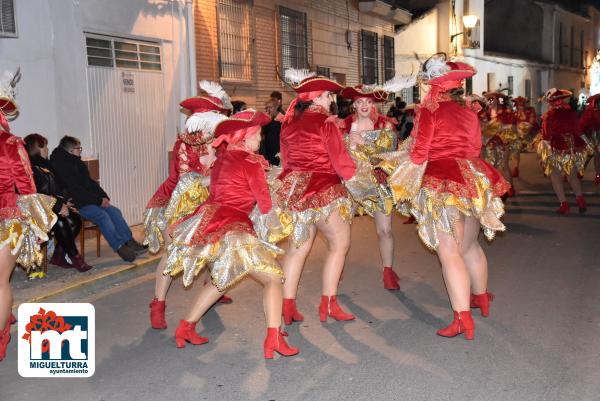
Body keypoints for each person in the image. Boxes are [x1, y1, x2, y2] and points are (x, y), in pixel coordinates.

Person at [383, 54, 509, 340]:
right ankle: (481, 297)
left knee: (449, 252)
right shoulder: (468, 111)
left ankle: (462, 318)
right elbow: (476, 147)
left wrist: (401, 163)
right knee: (470, 246)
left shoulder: (430, 111)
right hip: (472, 178)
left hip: (442, 180)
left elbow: (419, 153)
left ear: (433, 86)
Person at [164, 110, 299, 359]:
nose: (260, 139)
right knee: (272, 279)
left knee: (222, 279)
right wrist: (278, 209)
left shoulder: (222, 159)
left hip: (212, 220)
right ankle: (273, 338)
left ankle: (185, 327)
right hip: (234, 226)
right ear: (246, 136)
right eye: (258, 134)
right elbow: (265, 204)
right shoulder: (251, 162)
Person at [145, 81, 232, 330]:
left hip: (209, 201)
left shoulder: (220, 143)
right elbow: (186, 183)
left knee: (214, 245)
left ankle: (213, 287)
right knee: (173, 255)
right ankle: (158, 303)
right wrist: (213, 173)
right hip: (178, 204)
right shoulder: (184, 145)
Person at [275, 69, 356, 325]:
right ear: (319, 97)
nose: (332, 99)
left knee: (298, 249)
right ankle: (329, 303)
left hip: (295, 189)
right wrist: (359, 180)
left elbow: (286, 162)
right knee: (339, 245)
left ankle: (286, 307)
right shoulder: (325, 123)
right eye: (329, 95)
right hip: (323, 189)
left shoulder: (289, 124)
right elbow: (341, 162)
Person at [339, 76, 416, 291]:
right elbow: (336, 154)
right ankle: (337, 267)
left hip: (378, 181)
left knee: (385, 230)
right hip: (351, 184)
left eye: (369, 102)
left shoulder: (384, 124)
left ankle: (388, 271)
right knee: (341, 230)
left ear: (374, 104)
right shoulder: (343, 125)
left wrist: (364, 143)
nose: (364, 106)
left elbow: (392, 154)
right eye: (360, 102)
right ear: (353, 104)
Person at [1, 74, 57, 361]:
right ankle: (1, 338)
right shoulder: (10, 142)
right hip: (6, 217)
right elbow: (26, 187)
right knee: (1, 283)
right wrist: (37, 225)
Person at [50, 136, 147, 262]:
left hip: (89, 199)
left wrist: (103, 196)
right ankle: (120, 247)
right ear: (70, 150)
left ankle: (130, 242)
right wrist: (97, 201)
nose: (80, 150)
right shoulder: (60, 165)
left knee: (114, 211)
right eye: (78, 148)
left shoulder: (76, 162)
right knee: (102, 216)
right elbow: (75, 191)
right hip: (76, 203)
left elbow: (89, 183)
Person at [24, 133, 92, 272]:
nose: (47, 150)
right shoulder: (30, 168)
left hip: (53, 205)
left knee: (75, 219)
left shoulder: (46, 164)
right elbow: (38, 195)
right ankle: (75, 257)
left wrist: (65, 201)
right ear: (37, 148)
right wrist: (58, 206)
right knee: (60, 221)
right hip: (37, 209)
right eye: (45, 147)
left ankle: (58, 256)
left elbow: (59, 186)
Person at [536, 88, 591, 214]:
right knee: (572, 176)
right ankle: (580, 200)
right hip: (571, 147)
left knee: (555, 176)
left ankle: (564, 204)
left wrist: (542, 155)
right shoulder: (571, 113)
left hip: (556, 148)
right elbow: (578, 129)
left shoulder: (548, 116)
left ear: (551, 102)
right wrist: (587, 143)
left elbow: (545, 137)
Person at [481, 92, 517, 196]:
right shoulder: (485, 114)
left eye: (491, 99)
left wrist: (502, 127)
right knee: (491, 167)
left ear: (497, 100)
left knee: (504, 165)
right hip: (489, 144)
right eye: (488, 99)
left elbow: (513, 128)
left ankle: (510, 187)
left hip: (503, 143)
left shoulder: (506, 113)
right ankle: (496, 188)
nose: (489, 102)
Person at [512, 96, 539, 178]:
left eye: (522, 105)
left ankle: (544, 164)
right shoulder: (515, 113)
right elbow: (513, 125)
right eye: (519, 105)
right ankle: (515, 168)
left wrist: (524, 129)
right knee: (515, 149)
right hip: (520, 134)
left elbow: (532, 122)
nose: (520, 106)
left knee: (539, 149)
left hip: (532, 133)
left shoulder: (531, 110)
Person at [578, 93, 600, 184]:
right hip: (591, 137)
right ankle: (582, 172)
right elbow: (581, 127)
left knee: (595, 155)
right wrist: (587, 140)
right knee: (591, 155)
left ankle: (597, 175)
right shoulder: (590, 112)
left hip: (596, 137)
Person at [261, 99, 282, 165]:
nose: (268, 110)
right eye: (266, 108)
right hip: (267, 149)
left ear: (276, 107)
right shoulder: (266, 119)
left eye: (270, 107)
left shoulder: (282, 118)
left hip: (278, 149)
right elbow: (263, 134)